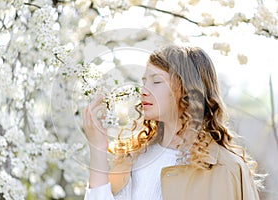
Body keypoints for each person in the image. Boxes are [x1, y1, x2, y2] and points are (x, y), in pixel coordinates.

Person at [83, 45, 262, 200]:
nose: (143, 91)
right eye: (144, 81)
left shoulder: (225, 169)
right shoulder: (134, 158)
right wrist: (98, 149)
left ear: (187, 89)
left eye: (156, 81)